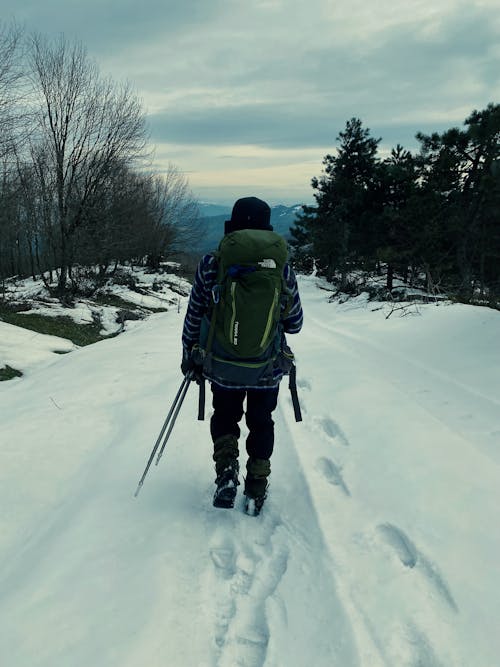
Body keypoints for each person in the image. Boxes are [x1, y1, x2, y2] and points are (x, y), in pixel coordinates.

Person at [181, 196, 303, 515]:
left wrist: (188, 355)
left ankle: (226, 473)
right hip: (266, 367)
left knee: (225, 416)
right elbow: (296, 323)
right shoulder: (281, 266)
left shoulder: (213, 261)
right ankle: (256, 486)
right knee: (261, 422)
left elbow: (195, 313)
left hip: (223, 366)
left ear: (232, 226)